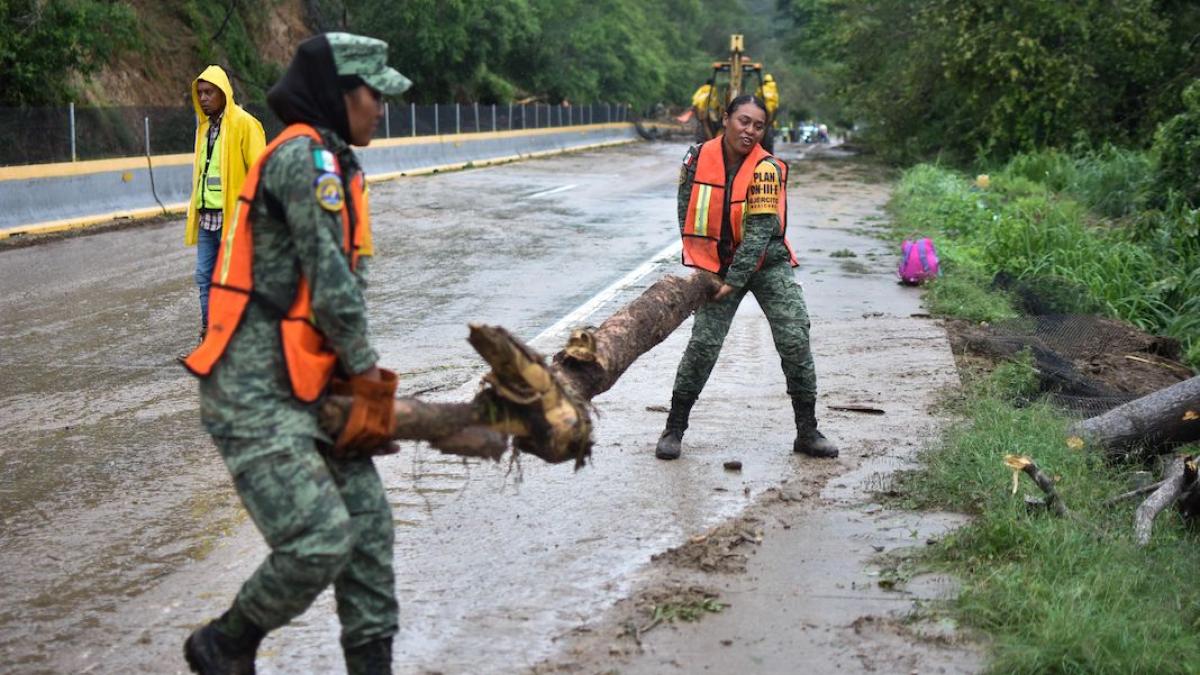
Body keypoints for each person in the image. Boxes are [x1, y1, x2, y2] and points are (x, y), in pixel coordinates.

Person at [180, 32, 412, 675]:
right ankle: (224, 645)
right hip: (254, 393)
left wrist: (348, 384)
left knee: (367, 536)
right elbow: (333, 285)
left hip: (308, 388)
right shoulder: (304, 161)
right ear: (340, 96)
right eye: (373, 96)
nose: (381, 109)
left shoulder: (335, 160)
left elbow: (329, 296)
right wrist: (367, 377)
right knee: (319, 540)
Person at [655, 94, 839, 461]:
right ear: (725, 119)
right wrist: (702, 264)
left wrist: (734, 281)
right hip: (717, 268)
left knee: (794, 337)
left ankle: (807, 431)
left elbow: (757, 235)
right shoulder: (694, 159)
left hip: (766, 265)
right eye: (743, 121)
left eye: (758, 125)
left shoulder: (766, 169)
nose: (750, 131)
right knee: (703, 346)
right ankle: (673, 429)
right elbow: (684, 211)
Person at [185, 66, 266, 344]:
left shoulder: (245, 124)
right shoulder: (204, 129)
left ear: (224, 93)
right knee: (205, 277)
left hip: (235, 217)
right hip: (208, 217)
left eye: (209, 92)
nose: (204, 98)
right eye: (200, 93)